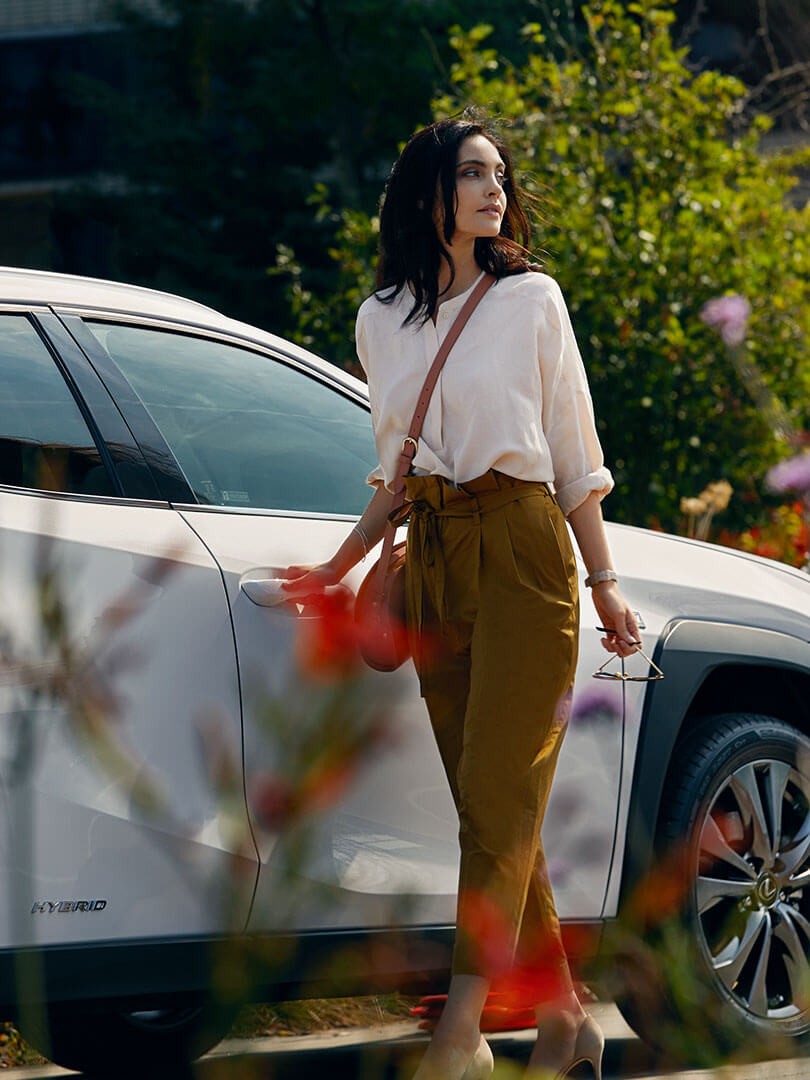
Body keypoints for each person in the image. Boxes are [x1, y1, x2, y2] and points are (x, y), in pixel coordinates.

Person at [282, 110, 640, 1080]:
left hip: (524, 548)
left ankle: (464, 1031)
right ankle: (565, 1017)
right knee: (491, 809)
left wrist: (603, 584)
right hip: (434, 549)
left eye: (499, 175)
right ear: (429, 192)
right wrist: (337, 567)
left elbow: (574, 454)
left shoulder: (533, 302)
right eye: (472, 174)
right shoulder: (378, 321)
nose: (493, 189)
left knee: (496, 796)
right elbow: (393, 475)